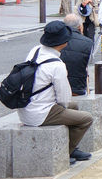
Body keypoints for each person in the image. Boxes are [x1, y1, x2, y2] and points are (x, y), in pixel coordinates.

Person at [21, 21, 94, 164]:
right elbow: (63, 99)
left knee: (74, 108)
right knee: (86, 118)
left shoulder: (35, 51)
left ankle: (73, 148)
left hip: (26, 106)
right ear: (64, 42)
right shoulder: (57, 65)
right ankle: (64, 152)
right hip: (41, 113)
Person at [61, 13, 94, 96]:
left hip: (60, 87)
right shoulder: (87, 42)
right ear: (80, 26)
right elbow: (88, 61)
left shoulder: (57, 41)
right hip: (78, 88)